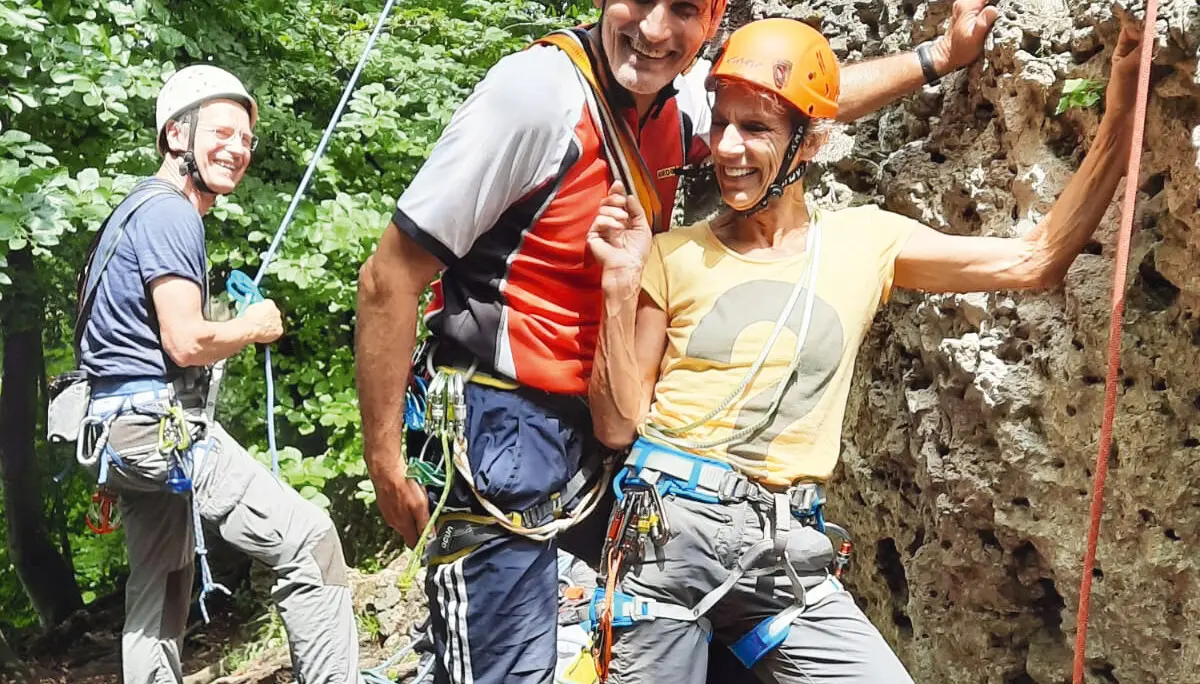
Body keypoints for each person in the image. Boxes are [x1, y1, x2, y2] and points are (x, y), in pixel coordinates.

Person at [354, 1, 1000, 681]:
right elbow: (388, 277)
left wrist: (939, 57)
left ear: (711, 22)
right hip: (507, 423)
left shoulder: (673, 99)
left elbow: (805, 100)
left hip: (615, 432)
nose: (656, 30)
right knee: (505, 670)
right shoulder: (537, 95)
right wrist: (384, 460)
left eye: (685, 9)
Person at [583, 16, 1141, 683]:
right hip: (668, 533)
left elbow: (1037, 257)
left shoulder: (863, 242)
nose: (728, 148)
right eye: (721, 125)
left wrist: (1124, 105)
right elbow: (617, 424)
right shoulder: (672, 257)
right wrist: (619, 290)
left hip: (785, 550)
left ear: (809, 142)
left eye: (756, 128)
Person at [74, 65, 362, 684]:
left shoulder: (131, 213)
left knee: (163, 588)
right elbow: (184, 341)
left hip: (115, 436)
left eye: (246, 140)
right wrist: (252, 326)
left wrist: (220, 328)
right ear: (178, 135)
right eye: (223, 133)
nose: (238, 149)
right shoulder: (172, 214)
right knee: (310, 542)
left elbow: (145, 338)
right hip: (157, 431)